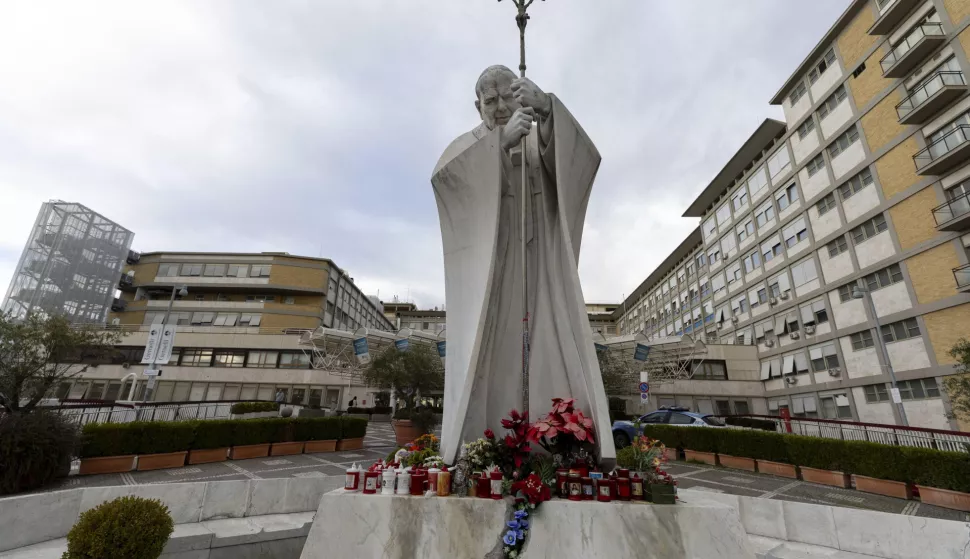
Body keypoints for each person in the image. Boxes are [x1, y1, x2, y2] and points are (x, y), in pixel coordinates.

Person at [431, 65, 614, 466]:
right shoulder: (466, 146)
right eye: (489, 100)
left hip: (540, 266)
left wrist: (547, 109)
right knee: (491, 347)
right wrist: (497, 146)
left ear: (520, 95)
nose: (499, 108)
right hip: (492, 272)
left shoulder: (536, 137)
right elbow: (446, 182)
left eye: (506, 97)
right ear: (477, 105)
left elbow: (582, 159)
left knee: (552, 336)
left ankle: (560, 446)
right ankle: (482, 449)